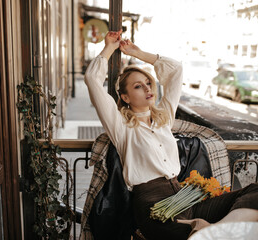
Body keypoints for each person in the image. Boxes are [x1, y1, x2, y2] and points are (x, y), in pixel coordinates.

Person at [84, 30, 258, 240]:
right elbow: (92, 79)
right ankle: (212, 232)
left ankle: (216, 228)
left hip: (186, 197)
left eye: (148, 83)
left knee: (254, 193)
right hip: (154, 206)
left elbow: (176, 70)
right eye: (138, 86)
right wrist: (109, 47)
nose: (148, 88)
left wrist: (138, 53)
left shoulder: (163, 118)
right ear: (125, 97)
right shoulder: (121, 127)